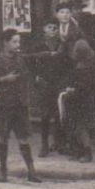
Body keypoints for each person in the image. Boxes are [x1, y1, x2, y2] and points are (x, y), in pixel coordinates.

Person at [0, 29, 42, 184]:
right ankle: (3, 171)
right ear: (6, 42)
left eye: (19, 41)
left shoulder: (21, 59)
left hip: (20, 104)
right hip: (4, 104)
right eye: (14, 41)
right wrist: (5, 79)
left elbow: (27, 76)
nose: (18, 45)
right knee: (3, 137)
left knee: (23, 138)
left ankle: (31, 171)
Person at [29, 23, 70, 157]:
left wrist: (65, 81)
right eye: (49, 27)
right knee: (45, 116)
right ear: (43, 31)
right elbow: (30, 62)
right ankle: (44, 144)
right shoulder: (39, 47)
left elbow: (67, 64)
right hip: (45, 84)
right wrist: (36, 77)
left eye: (55, 27)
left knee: (60, 115)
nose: (53, 29)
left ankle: (59, 143)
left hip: (58, 84)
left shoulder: (62, 45)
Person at [61, 37, 95, 162]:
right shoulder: (90, 67)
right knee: (80, 127)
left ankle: (87, 153)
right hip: (86, 101)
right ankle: (80, 152)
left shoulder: (80, 69)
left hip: (79, 101)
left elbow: (82, 88)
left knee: (80, 128)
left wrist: (71, 90)